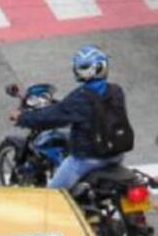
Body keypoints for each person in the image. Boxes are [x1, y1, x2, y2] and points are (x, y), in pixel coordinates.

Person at [14, 45, 131, 191]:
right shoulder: (116, 90)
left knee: (51, 198)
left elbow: (51, 117)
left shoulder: (80, 97)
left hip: (88, 159)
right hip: (116, 154)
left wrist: (22, 118)